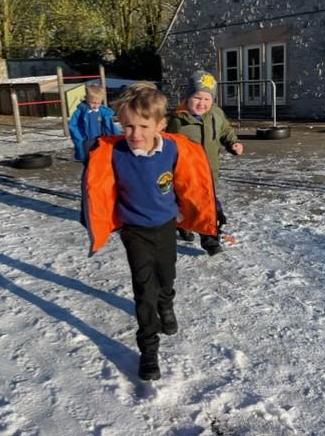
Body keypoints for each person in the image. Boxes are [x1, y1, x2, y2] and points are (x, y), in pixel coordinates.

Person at [81, 82, 217, 381]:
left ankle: (166, 304)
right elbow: (97, 184)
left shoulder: (173, 149)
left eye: (144, 126)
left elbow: (191, 184)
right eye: (128, 126)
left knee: (166, 275)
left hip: (166, 225)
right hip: (134, 230)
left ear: (161, 125)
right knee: (144, 290)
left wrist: (205, 213)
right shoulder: (114, 152)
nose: (135, 134)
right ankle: (149, 349)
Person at [166, 70, 243, 255]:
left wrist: (233, 143)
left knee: (210, 207)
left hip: (210, 173)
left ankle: (210, 241)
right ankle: (182, 225)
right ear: (188, 97)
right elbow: (167, 145)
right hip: (188, 175)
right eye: (197, 98)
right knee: (186, 205)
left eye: (207, 99)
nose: (202, 103)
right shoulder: (178, 120)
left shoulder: (216, 114)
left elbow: (225, 130)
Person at [68, 84, 118, 163]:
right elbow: (73, 125)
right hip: (87, 140)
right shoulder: (81, 112)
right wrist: (79, 138)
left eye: (98, 103)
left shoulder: (103, 112)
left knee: (100, 159)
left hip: (101, 139)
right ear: (86, 98)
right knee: (88, 160)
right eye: (93, 103)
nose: (95, 106)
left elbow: (110, 126)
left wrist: (115, 137)